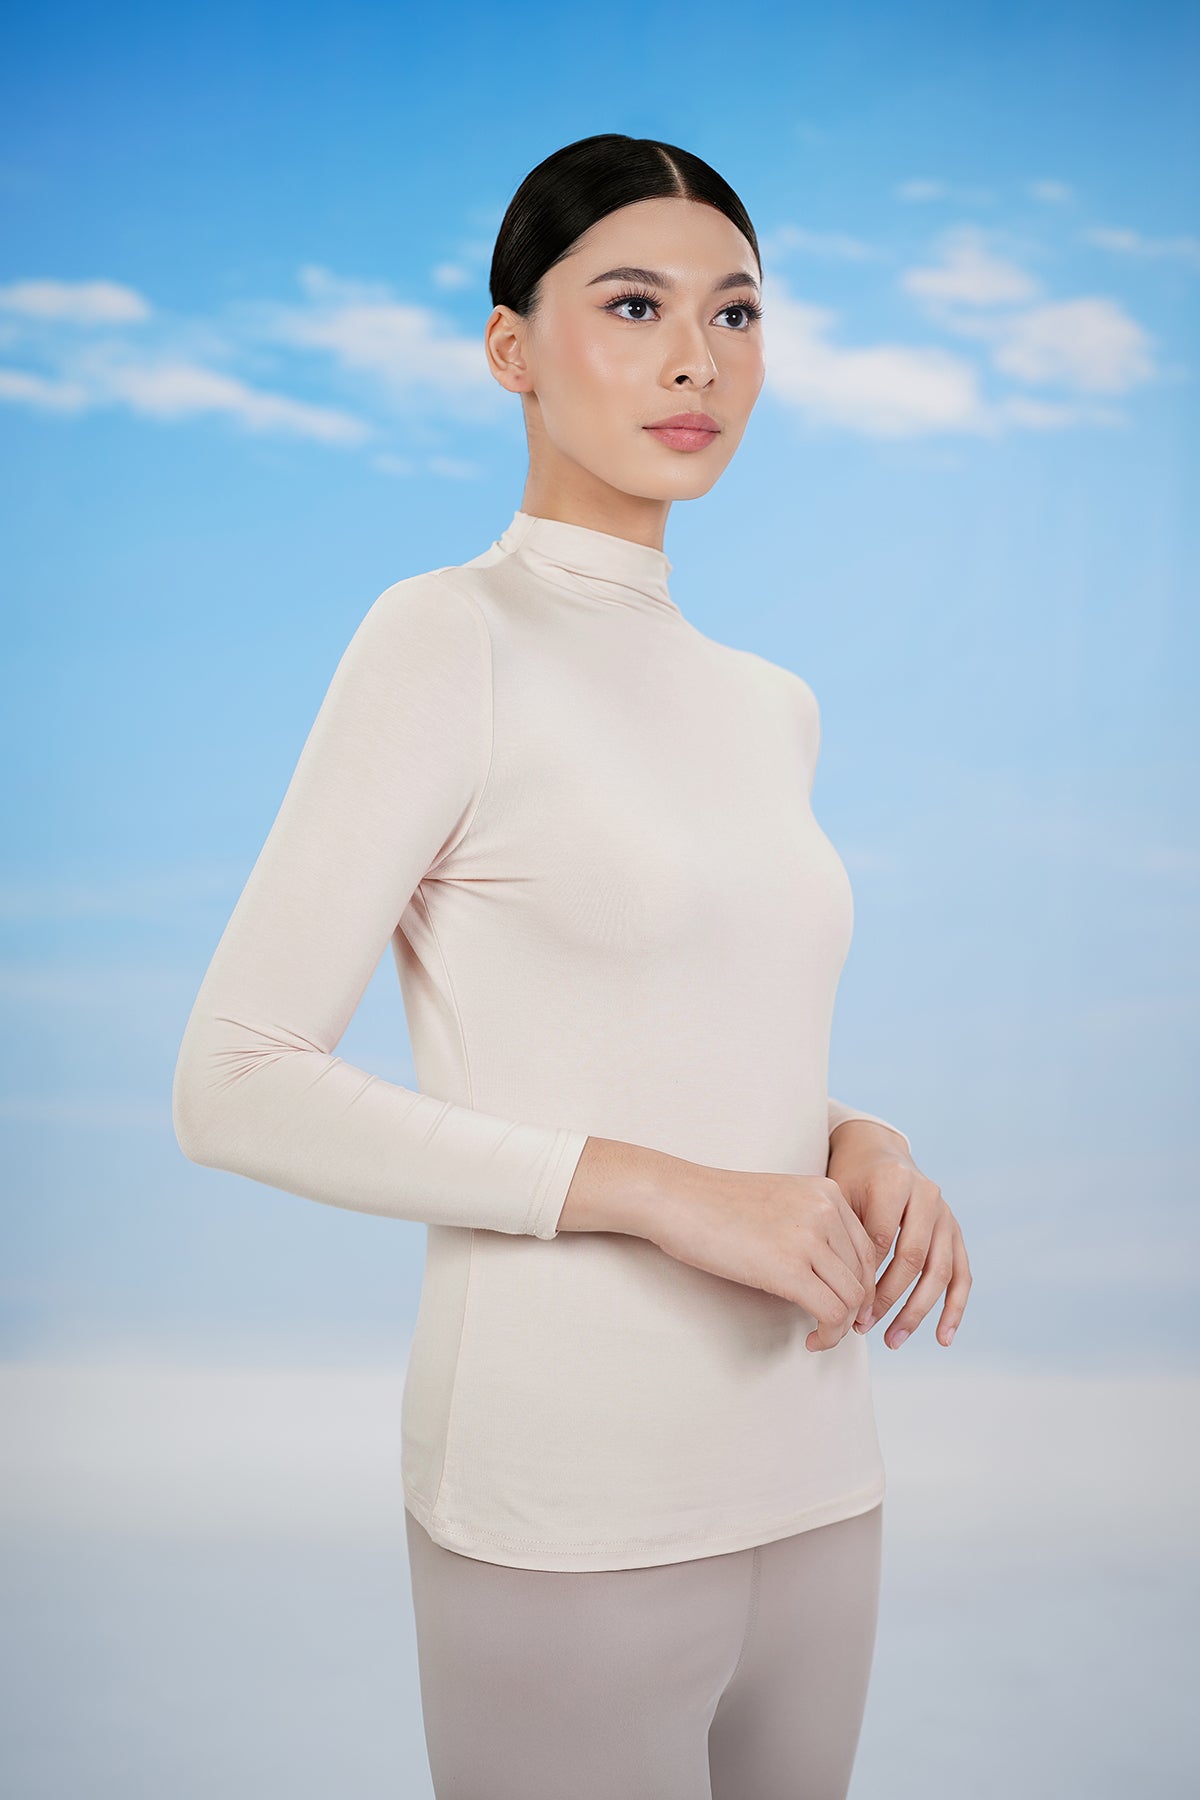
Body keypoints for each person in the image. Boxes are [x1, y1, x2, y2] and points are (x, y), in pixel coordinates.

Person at [172, 132, 972, 1800]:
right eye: (632, 304)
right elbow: (233, 1082)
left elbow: (684, 1026)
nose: (698, 360)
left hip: (819, 1481)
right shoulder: (445, 637)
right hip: (565, 1510)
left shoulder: (771, 705)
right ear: (510, 349)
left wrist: (858, 1140)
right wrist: (668, 1196)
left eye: (736, 313)